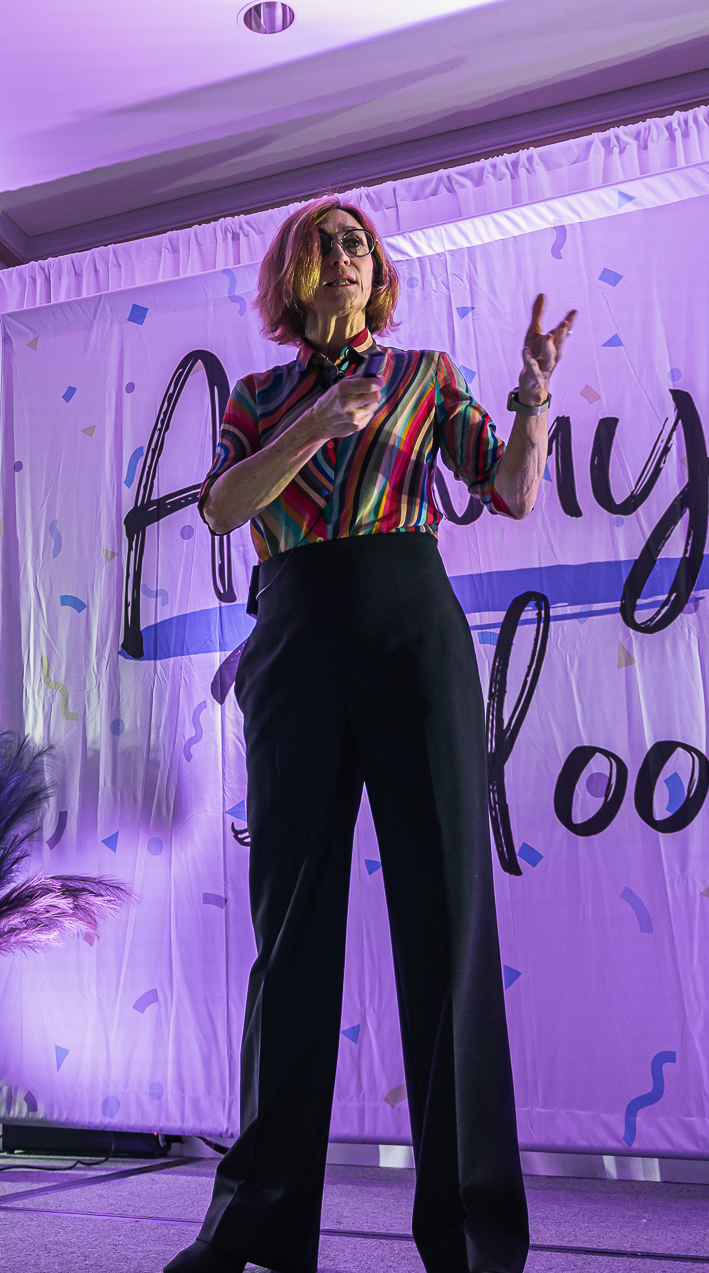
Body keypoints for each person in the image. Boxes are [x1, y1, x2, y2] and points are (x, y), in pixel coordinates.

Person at [165, 196, 573, 1273]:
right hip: (294, 639)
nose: (347, 255)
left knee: (446, 920)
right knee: (292, 929)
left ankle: (473, 1238)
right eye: (328, 244)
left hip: (410, 634)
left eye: (360, 244)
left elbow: (511, 490)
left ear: (375, 271)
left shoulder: (425, 376)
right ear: (295, 274)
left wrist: (535, 395)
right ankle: (257, 1224)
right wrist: (315, 425)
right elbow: (222, 510)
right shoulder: (257, 398)